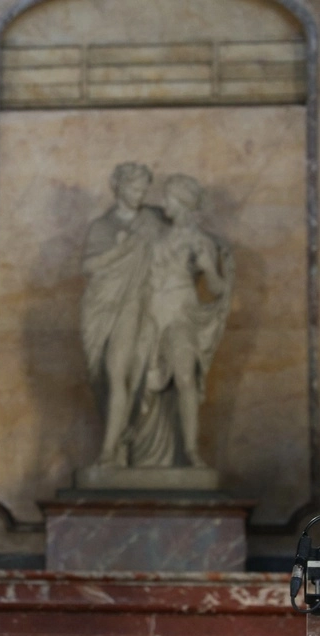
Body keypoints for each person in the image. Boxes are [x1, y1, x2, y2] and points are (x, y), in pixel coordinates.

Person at [128, 174, 231, 467]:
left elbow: (218, 289)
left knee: (185, 376)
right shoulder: (155, 238)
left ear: (182, 203)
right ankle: (139, 450)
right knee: (140, 382)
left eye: (168, 198)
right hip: (150, 315)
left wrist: (209, 268)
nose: (164, 204)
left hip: (180, 314)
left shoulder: (201, 242)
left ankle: (190, 450)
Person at [81, 163, 166, 466]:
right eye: (134, 188)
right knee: (104, 374)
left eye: (144, 189)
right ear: (118, 187)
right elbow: (88, 267)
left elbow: (185, 230)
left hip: (136, 303)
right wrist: (121, 250)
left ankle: (109, 449)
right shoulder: (102, 227)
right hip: (103, 307)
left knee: (118, 372)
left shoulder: (153, 220)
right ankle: (115, 444)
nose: (140, 194)